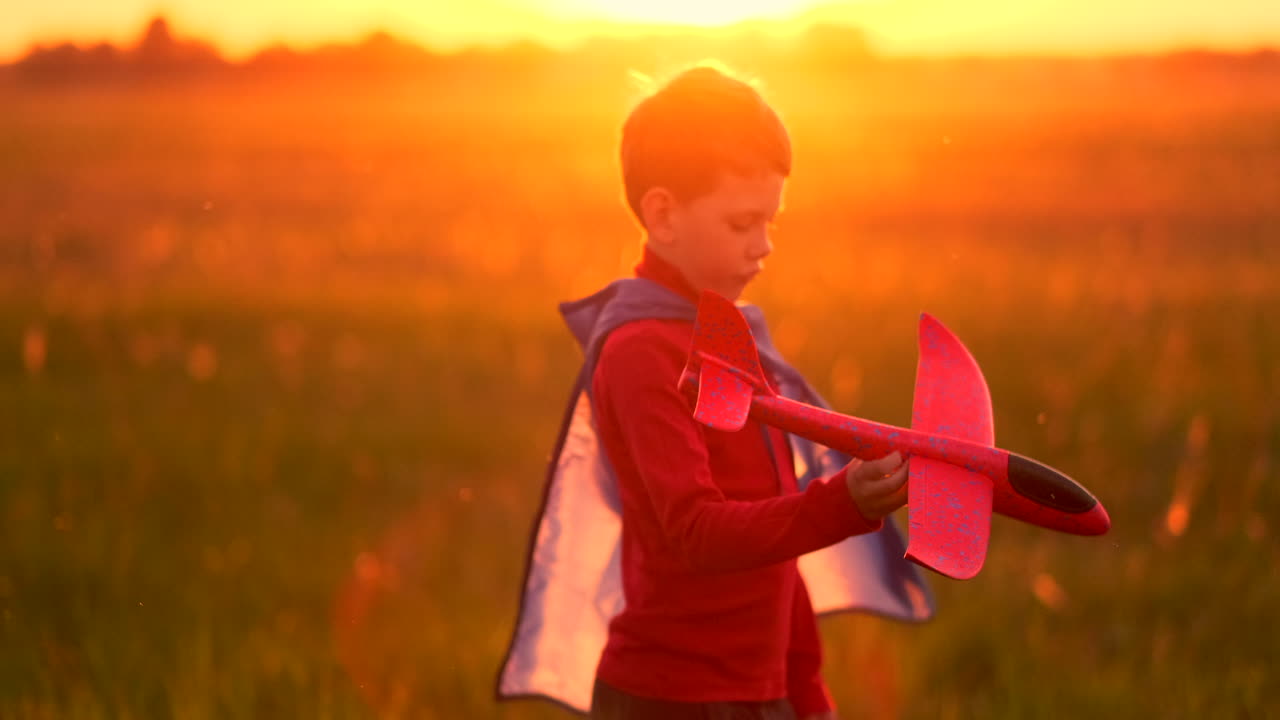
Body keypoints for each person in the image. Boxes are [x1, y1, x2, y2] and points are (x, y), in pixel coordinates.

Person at [496, 64, 932, 720]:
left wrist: (805, 692)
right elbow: (698, 531)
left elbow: (773, 559)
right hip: (670, 700)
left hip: (759, 695)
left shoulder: (723, 337)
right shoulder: (641, 353)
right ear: (663, 215)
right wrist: (839, 504)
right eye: (741, 223)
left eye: (771, 223)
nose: (764, 247)